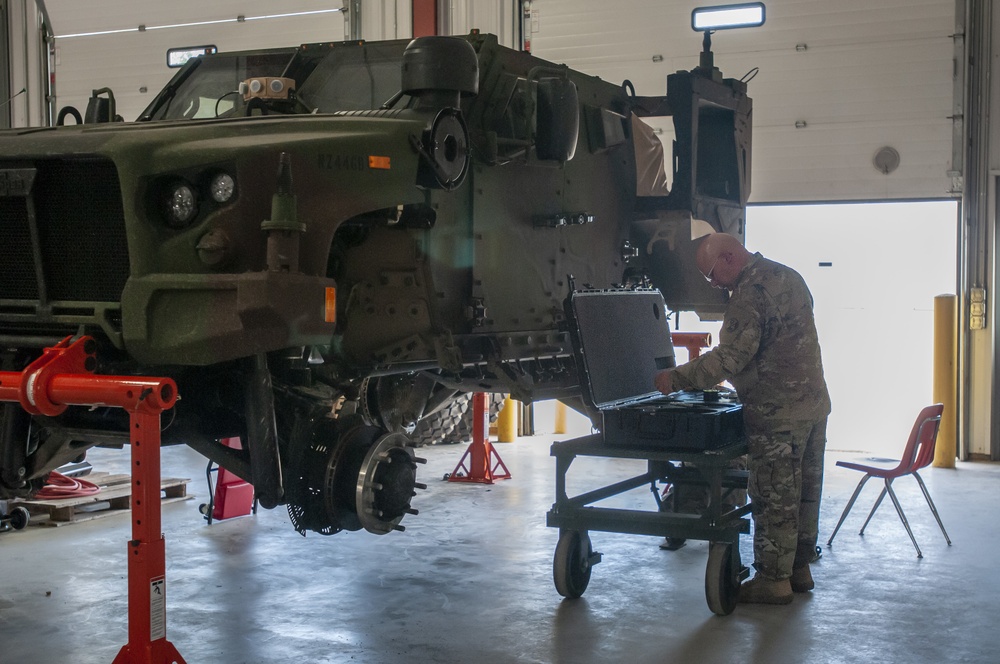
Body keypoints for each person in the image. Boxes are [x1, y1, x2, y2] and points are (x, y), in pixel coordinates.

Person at [654, 232, 831, 605]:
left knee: (774, 497)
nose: (713, 284)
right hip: (812, 406)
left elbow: (728, 359)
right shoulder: (788, 276)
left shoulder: (749, 294)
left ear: (730, 256)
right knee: (804, 495)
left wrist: (677, 378)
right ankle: (799, 569)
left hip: (777, 415)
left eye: (712, 275)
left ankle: (773, 580)